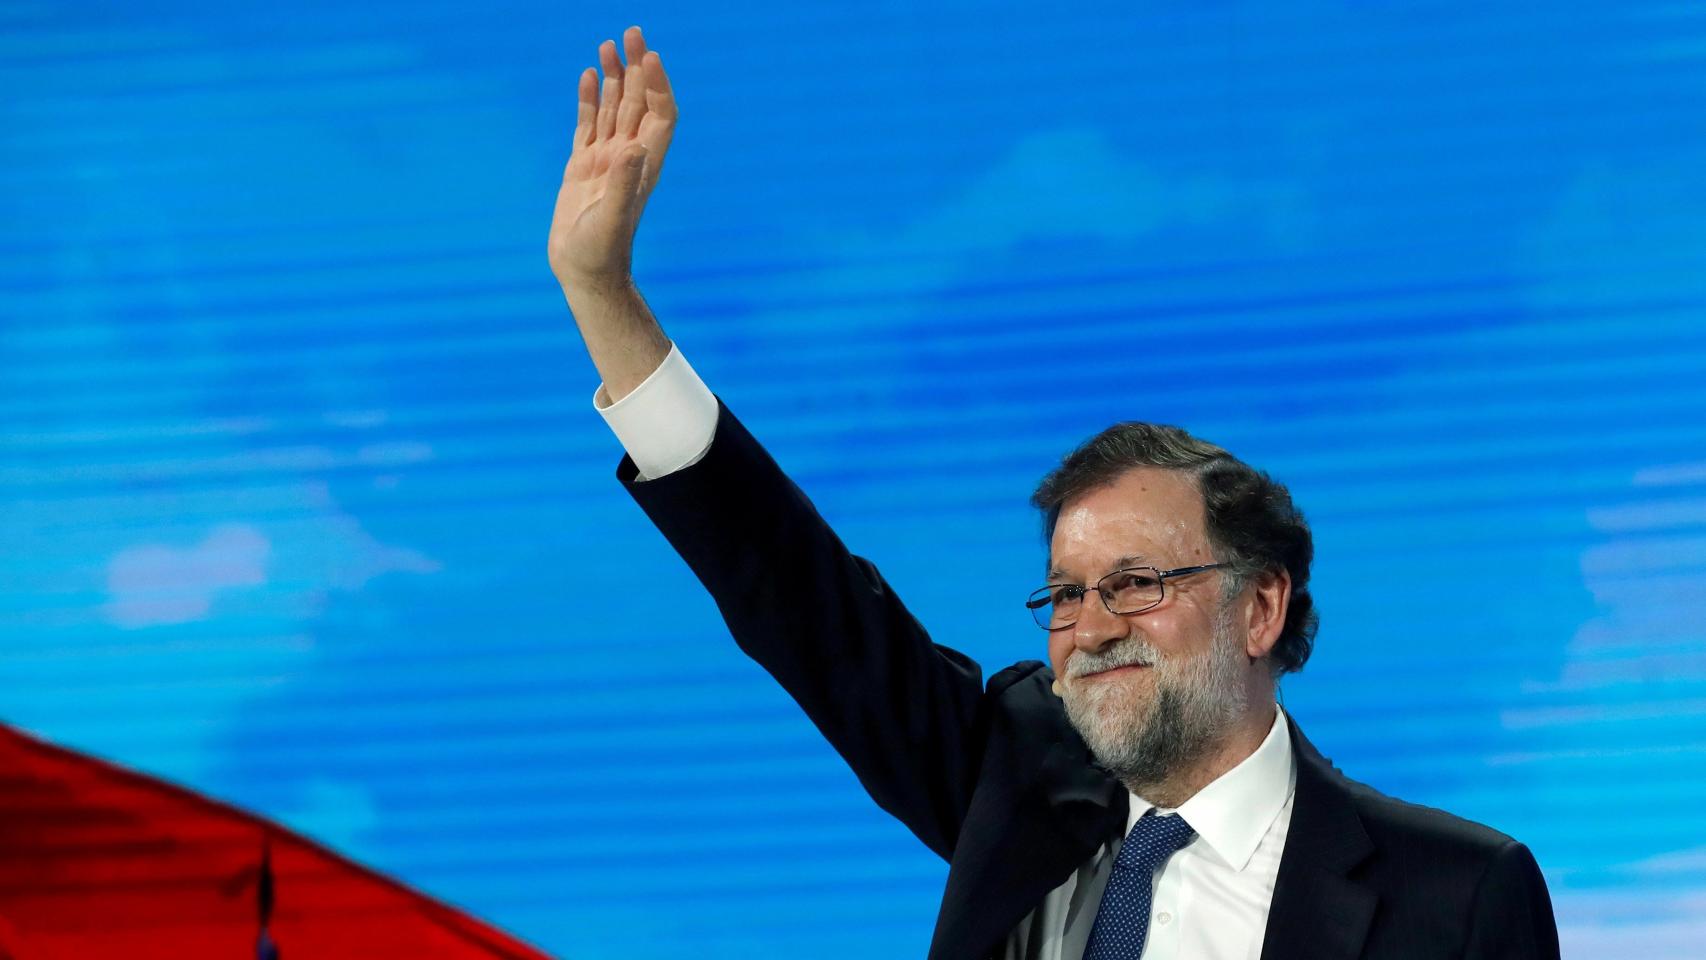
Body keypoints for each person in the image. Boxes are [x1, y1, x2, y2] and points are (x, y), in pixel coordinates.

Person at [544, 26, 1561, 960]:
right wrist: (603, 296)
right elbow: (799, 600)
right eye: (1065, 594)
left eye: (1134, 583)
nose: (1088, 625)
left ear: (1259, 605)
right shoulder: (1021, 780)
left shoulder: (1455, 896)